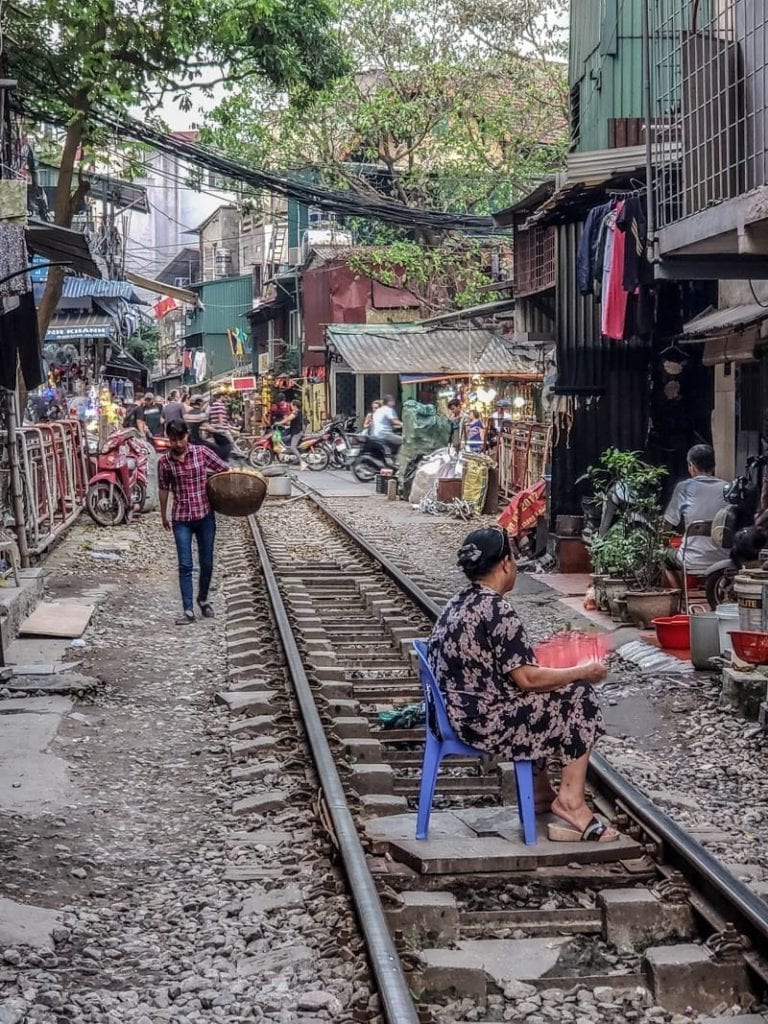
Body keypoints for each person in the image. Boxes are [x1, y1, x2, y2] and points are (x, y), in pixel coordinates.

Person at [428, 527, 617, 843]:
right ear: (504, 565)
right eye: (513, 560)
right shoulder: (496, 609)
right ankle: (570, 801)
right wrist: (581, 671)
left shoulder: (457, 603)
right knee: (579, 696)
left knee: (540, 699)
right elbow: (527, 679)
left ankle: (541, 793)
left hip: (453, 715)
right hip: (481, 723)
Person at [158, 420, 229, 626]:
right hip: (181, 518)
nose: (177, 443)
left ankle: (203, 598)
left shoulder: (201, 453)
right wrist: (163, 515)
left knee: (206, 562)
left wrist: (211, 481)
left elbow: (224, 469)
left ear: (187, 435)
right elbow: (163, 489)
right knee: (185, 564)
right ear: (168, 439)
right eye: (173, 440)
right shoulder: (164, 462)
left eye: (180, 438)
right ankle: (188, 609)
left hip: (205, 515)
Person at [663, 443, 729, 587]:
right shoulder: (727, 488)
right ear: (713, 465)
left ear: (691, 466)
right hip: (725, 559)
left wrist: (662, 542)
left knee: (664, 556)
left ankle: (680, 595)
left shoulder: (684, 488)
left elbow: (667, 524)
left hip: (691, 559)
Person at [276, 398, 307, 470]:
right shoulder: (298, 412)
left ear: (295, 406)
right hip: (295, 431)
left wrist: (279, 423)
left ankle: (302, 462)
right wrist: (284, 424)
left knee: (293, 447)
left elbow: (288, 419)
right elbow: (290, 421)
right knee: (284, 440)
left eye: (291, 405)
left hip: (297, 433)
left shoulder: (295, 412)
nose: (291, 407)